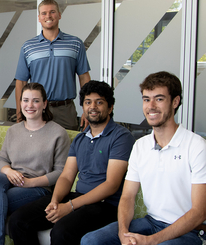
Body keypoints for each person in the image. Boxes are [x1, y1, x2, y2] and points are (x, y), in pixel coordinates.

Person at [81, 72, 206, 245]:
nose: (151, 106)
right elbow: (128, 196)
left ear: (175, 102)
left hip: (191, 231)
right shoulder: (140, 146)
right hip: (151, 222)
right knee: (91, 240)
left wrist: (151, 241)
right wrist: (123, 232)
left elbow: (199, 213)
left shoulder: (197, 146)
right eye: (146, 99)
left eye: (159, 99)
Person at [9, 80, 135, 245]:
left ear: (110, 107)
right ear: (83, 107)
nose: (93, 107)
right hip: (78, 198)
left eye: (99, 102)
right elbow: (67, 177)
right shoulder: (80, 138)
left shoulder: (121, 137)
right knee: (18, 221)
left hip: (106, 206)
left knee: (62, 231)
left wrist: (70, 206)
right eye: (88, 102)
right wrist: (55, 201)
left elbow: (111, 184)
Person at [0, 83, 71, 245]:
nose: (30, 105)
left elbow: (60, 172)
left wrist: (30, 183)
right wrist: (8, 171)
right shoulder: (13, 130)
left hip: (38, 188)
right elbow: (2, 160)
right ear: (20, 103)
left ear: (44, 104)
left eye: (35, 101)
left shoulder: (58, 133)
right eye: (25, 100)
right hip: (12, 180)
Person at [15, 0, 91, 131]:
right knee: (36, 148)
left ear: (59, 15)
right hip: (36, 108)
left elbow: (84, 78)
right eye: (44, 13)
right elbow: (21, 82)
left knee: (68, 149)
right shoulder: (28, 47)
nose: (48, 16)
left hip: (65, 110)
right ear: (39, 18)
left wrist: (87, 108)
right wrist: (19, 111)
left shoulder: (75, 44)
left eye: (52, 12)